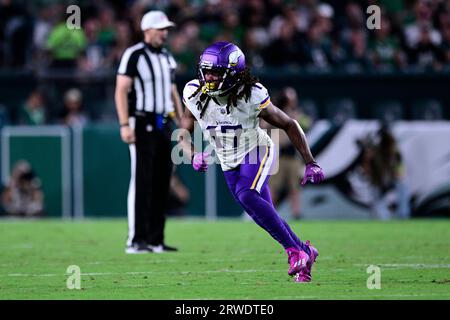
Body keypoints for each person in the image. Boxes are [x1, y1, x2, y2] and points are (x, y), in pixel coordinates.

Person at [178, 42, 325, 282]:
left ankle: (294, 251)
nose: (209, 77)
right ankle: (306, 251)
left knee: (247, 195)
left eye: (216, 72)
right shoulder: (194, 93)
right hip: (227, 159)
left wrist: (310, 161)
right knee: (263, 215)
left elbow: (289, 123)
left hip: (256, 150)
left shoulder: (251, 95)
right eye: (207, 71)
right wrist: (192, 153)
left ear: (233, 73)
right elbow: (183, 131)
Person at [115, 11, 183, 254]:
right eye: (161, 29)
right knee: (142, 180)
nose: (165, 33)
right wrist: (124, 124)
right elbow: (121, 90)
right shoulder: (134, 54)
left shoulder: (166, 56)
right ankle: (137, 239)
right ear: (148, 30)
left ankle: (156, 239)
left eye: (166, 29)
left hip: (164, 123)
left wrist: (182, 120)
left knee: (163, 181)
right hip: (141, 122)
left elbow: (172, 90)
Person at [263, 87, 312, 220]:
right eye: (290, 99)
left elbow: (307, 123)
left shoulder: (297, 114)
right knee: (274, 187)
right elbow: (262, 125)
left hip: (293, 157)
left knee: (294, 187)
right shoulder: (274, 113)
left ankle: (296, 213)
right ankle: (269, 213)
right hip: (277, 156)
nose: (292, 102)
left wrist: (296, 118)